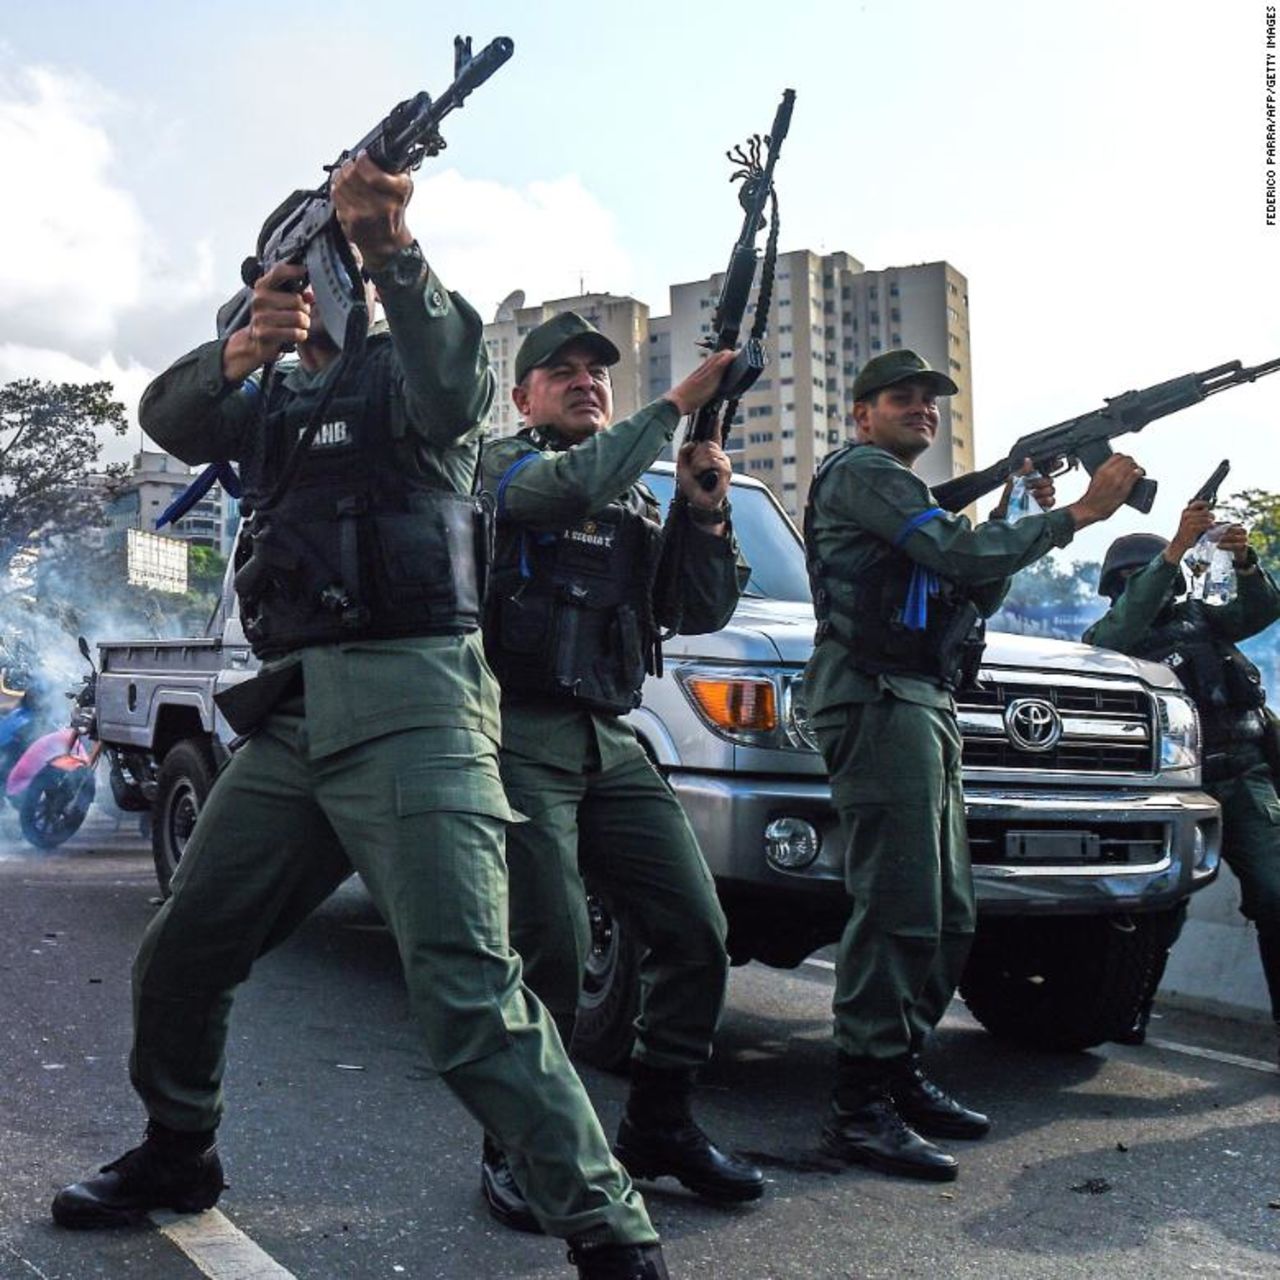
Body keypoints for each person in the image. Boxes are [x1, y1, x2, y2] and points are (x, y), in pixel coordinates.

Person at [50, 159, 670, 1280]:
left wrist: (391, 248)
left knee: (468, 990)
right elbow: (169, 416)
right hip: (296, 712)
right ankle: (177, 1150)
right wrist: (239, 348)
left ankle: (612, 1234)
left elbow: (455, 384)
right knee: (185, 949)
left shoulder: (413, 376)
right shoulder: (270, 401)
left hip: (416, 703)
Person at [802, 349, 1142, 1181]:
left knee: (950, 911)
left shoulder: (908, 496)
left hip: (922, 701)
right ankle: (858, 1106)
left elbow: (973, 586)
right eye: (900, 397)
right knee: (899, 904)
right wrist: (1082, 516)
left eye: (929, 399)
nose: (921, 408)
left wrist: (1017, 508)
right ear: (862, 414)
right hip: (877, 699)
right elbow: (958, 555)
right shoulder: (863, 473)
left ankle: (896, 1072)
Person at [475, 312, 764, 1232]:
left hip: (610, 735)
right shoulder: (498, 468)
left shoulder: (636, 496)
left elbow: (695, 609)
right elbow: (559, 492)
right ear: (522, 397)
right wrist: (678, 405)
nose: (585, 383)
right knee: (549, 942)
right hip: (517, 732)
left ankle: (661, 1123)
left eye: (597, 373)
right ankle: (522, 1146)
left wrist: (707, 507)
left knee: (694, 930)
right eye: (560, 373)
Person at [1085, 502, 1280, 1063]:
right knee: (1155, 905)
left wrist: (1244, 562)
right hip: (1171, 788)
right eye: (1145, 576)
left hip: (1243, 775)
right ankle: (1130, 1008)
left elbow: (1262, 607)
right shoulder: (1110, 635)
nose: (1163, 585)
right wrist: (1172, 550)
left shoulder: (1204, 618)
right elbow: (1119, 628)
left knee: (1274, 892)